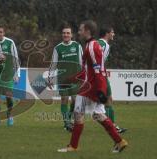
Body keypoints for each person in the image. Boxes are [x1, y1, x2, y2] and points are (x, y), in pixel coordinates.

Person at [58, 20, 128, 153]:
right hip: (94, 87)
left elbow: (98, 71)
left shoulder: (91, 47)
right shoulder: (91, 45)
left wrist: (101, 90)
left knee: (78, 114)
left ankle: (73, 146)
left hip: (89, 89)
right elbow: (87, 70)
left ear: (87, 31)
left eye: (80, 29)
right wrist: (70, 79)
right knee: (98, 115)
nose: (78, 32)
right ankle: (119, 141)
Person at [48, 25, 83, 132]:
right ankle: (67, 123)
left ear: (71, 35)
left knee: (74, 100)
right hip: (63, 79)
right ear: (62, 35)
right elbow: (53, 64)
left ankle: (69, 119)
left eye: (68, 33)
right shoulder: (58, 48)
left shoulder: (77, 46)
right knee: (64, 100)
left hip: (75, 78)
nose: (66, 35)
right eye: (64, 33)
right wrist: (50, 78)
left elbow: (82, 62)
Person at [98, 25, 127, 133]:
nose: (113, 34)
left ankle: (112, 126)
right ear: (107, 33)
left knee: (107, 101)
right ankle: (112, 127)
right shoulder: (102, 44)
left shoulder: (101, 44)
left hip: (101, 75)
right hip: (100, 76)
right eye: (112, 32)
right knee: (106, 102)